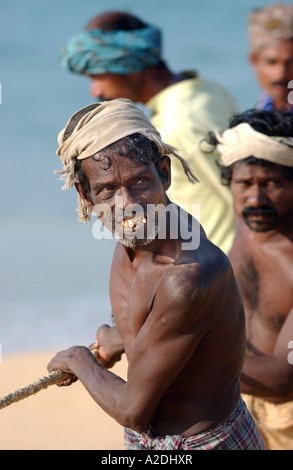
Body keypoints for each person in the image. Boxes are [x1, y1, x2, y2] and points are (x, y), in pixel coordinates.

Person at [47, 98, 265, 450]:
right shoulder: (138, 233)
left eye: (141, 181)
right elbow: (157, 319)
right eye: (107, 189)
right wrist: (117, 338)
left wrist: (79, 359)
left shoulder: (186, 276)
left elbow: (134, 410)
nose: (128, 202)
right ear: (85, 194)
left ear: (165, 172)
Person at [58, 11, 238, 255]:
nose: (95, 90)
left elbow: (229, 202)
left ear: (128, 66)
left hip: (217, 264)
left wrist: (222, 275)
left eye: (98, 76)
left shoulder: (180, 123)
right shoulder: (207, 90)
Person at [211, 109, 293, 450]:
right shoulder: (248, 220)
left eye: (272, 183)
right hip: (234, 403)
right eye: (245, 183)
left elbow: (281, 380)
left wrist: (180, 348)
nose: (256, 199)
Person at [248, 3, 293, 112]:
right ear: (254, 61)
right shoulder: (260, 110)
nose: (281, 74)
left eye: (291, 62)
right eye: (272, 62)